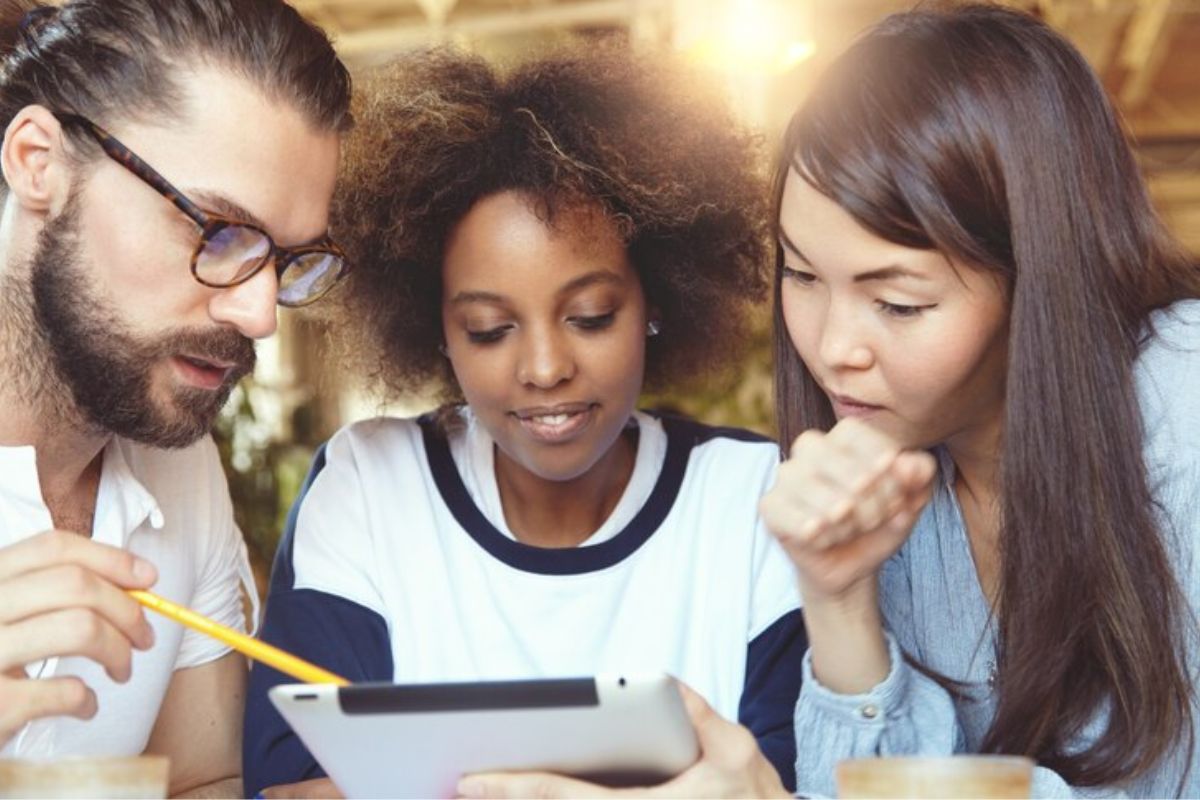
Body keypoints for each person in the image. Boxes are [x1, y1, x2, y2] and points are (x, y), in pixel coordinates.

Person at [242, 45, 806, 799]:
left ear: (658, 301)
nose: (544, 368)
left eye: (590, 316)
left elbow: (795, 780)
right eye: (487, 328)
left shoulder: (751, 500)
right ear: (435, 329)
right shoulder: (371, 488)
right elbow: (290, 787)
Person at [755, 3, 1200, 797]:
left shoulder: (1184, 404)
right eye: (800, 275)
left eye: (899, 304)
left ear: (1037, 275)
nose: (830, 350)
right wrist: (838, 597)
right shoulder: (887, 473)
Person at [0, 0, 351, 795]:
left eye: (288, 261)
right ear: (38, 163)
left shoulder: (179, 467)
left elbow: (198, 780)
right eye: (218, 232)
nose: (258, 314)